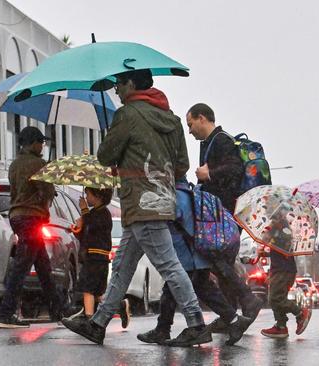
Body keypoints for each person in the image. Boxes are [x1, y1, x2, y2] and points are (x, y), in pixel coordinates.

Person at [62, 69, 209, 347]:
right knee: (123, 264)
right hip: (161, 199)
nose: (116, 89)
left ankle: (196, 322)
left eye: (119, 84)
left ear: (132, 84)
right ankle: (99, 322)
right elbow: (182, 166)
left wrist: (118, 145)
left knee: (169, 265)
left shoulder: (127, 115)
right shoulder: (174, 120)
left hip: (139, 202)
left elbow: (106, 156)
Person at [137, 178, 251, 346]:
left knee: (175, 286)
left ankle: (175, 329)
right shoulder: (193, 194)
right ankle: (233, 321)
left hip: (186, 256)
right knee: (196, 288)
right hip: (200, 252)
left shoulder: (174, 197)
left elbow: (166, 222)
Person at [186, 103, 264, 328]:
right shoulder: (209, 143)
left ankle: (244, 303)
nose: (190, 131)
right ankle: (231, 316)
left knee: (216, 262)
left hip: (224, 214)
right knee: (221, 264)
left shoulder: (222, 140)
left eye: (190, 124)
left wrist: (208, 174)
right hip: (217, 213)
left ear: (202, 118)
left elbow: (235, 170)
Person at [0, 127, 61, 328]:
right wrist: (49, 174)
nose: (43, 146)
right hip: (32, 218)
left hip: (17, 217)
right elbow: (47, 192)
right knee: (21, 267)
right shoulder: (39, 164)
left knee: (43, 266)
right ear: (32, 143)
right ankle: (5, 314)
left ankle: (58, 310)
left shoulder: (14, 165)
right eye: (40, 142)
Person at [67, 187, 130, 328]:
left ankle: (89, 319)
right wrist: (78, 230)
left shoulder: (103, 213)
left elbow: (93, 225)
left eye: (88, 194)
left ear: (98, 196)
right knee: (97, 293)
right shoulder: (94, 213)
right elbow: (88, 234)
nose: (86, 197)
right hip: (93, 256)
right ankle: (119, 306)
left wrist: (84, 212)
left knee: (88, 288)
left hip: (96, 257)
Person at [259, 213, 311, 339]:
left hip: (283, 270)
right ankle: (281, 326)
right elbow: (279, 251)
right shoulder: (278, 233)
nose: (271, 222)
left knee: (275, 298)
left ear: (280, 219)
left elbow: (284, 250)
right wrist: (266, 254)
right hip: (279, 269)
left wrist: (268, 236)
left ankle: (300, 312)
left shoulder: (284, 233)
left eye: (273, 219)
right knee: (276, 297)